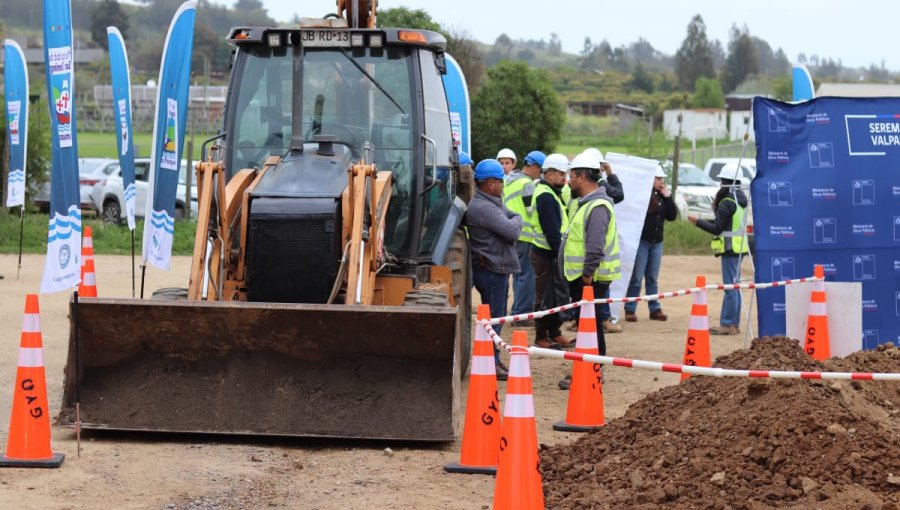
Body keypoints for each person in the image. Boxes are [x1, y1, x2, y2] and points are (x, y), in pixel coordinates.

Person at [466, 159, 524, 379]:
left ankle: (492, 360)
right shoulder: (484, 208)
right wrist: (517, 219)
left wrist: (514, 218)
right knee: (495, 319)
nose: (503, 185)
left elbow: (510, 216)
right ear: (490, 184)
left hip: (493, 269)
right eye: (500, 181)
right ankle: (492, 362)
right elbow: (512, 230)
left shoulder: (491, 203)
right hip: (491, 271)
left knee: (495, 317)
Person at [561, 152, 621, 359]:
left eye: (572, 176)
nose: (569, 181)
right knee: (588, 325)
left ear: (582, 177)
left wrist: (586, 275)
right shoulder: (586, 203)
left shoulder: (597, 206)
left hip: (589, 279)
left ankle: (593, 368)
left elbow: (595, 247)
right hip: (584, 278)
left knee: (591, 325)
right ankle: (589, 366)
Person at [688, 162, 750, 335]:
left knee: (730, 287)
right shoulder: (740, 199)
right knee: (734, 287)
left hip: (730, 250)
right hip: (739, 248)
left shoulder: (727, 202)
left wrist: (698, 222)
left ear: (724, 181)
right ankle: (733, 323)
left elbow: (717, 228)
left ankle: (728, 323)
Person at [530, 153, 575, 350]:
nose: (564, 178)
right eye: (560, 174)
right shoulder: (546, 196)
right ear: (548, 174)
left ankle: (554, 333)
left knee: (554, 297)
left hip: (549, 253)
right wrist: (560, 255)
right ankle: (541, 336)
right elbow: (552, 231)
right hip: (546, 254)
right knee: (544, 298)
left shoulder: (550, 192)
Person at [578, 147, 624, 334]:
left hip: (584, 248)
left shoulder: (585, 192)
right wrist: (609, 176)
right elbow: (618, 194)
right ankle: (602, 319)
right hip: (589, 254)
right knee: (595, 296)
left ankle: (596, 319)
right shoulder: (597, 192)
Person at [625, 164, 678, 322]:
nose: (661, 181)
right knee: (636, 277)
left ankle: (654, 308)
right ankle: (630, 308)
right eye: (658, 178)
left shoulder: (662, 196)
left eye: (661, 178)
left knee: (652, 278)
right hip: (643, 241)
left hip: (657, 242)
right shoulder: (643, 196)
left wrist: (667, 196)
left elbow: (672, 215)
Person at [503, 150, 544, 320]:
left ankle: (512, 312)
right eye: (541, 170)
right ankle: (521, 315)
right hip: (525, 236)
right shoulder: (527, 184)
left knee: (512, 276)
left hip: (509, 234)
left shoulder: (510, 180)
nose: (541, 174)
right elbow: (531, 210)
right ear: (534, 166)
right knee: (525, 276)